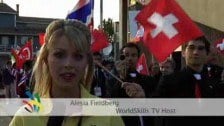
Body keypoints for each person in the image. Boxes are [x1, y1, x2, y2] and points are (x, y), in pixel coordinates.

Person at [10, 19, 124, 126]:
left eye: (78, 56)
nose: (68, 64)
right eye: (59, 55)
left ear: (87, 62)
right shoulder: (25, 117)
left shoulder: (108, 114)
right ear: (46, 59)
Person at [155, 36, 224, 126]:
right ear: (183, 52)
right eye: (191, 48)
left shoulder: (216, 83)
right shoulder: (169, 81)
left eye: (201, 48)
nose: (195, 52)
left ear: (207, 53)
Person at [112, 42, 156, 126]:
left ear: (138, 58)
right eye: (126, 55)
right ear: (121, 58)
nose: (129, 58)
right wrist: (121, 77)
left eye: (133, 55)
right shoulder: (114, 80)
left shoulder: (148, 80)